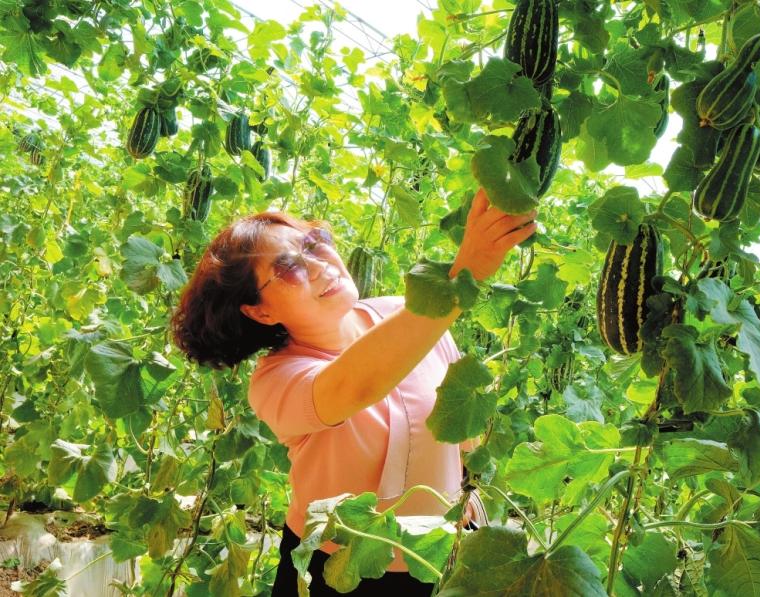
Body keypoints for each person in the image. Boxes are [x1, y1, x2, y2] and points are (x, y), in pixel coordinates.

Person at [170, 188, 537, 596]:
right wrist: (463, 273)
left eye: (315, 243)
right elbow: (357, 384)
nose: (318, 264)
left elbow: (460, 422)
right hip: (337, 574)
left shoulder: (405, 310)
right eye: (288, 266)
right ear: (261, 311)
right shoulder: (276, 380)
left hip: (438, 563)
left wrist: (467, 492)